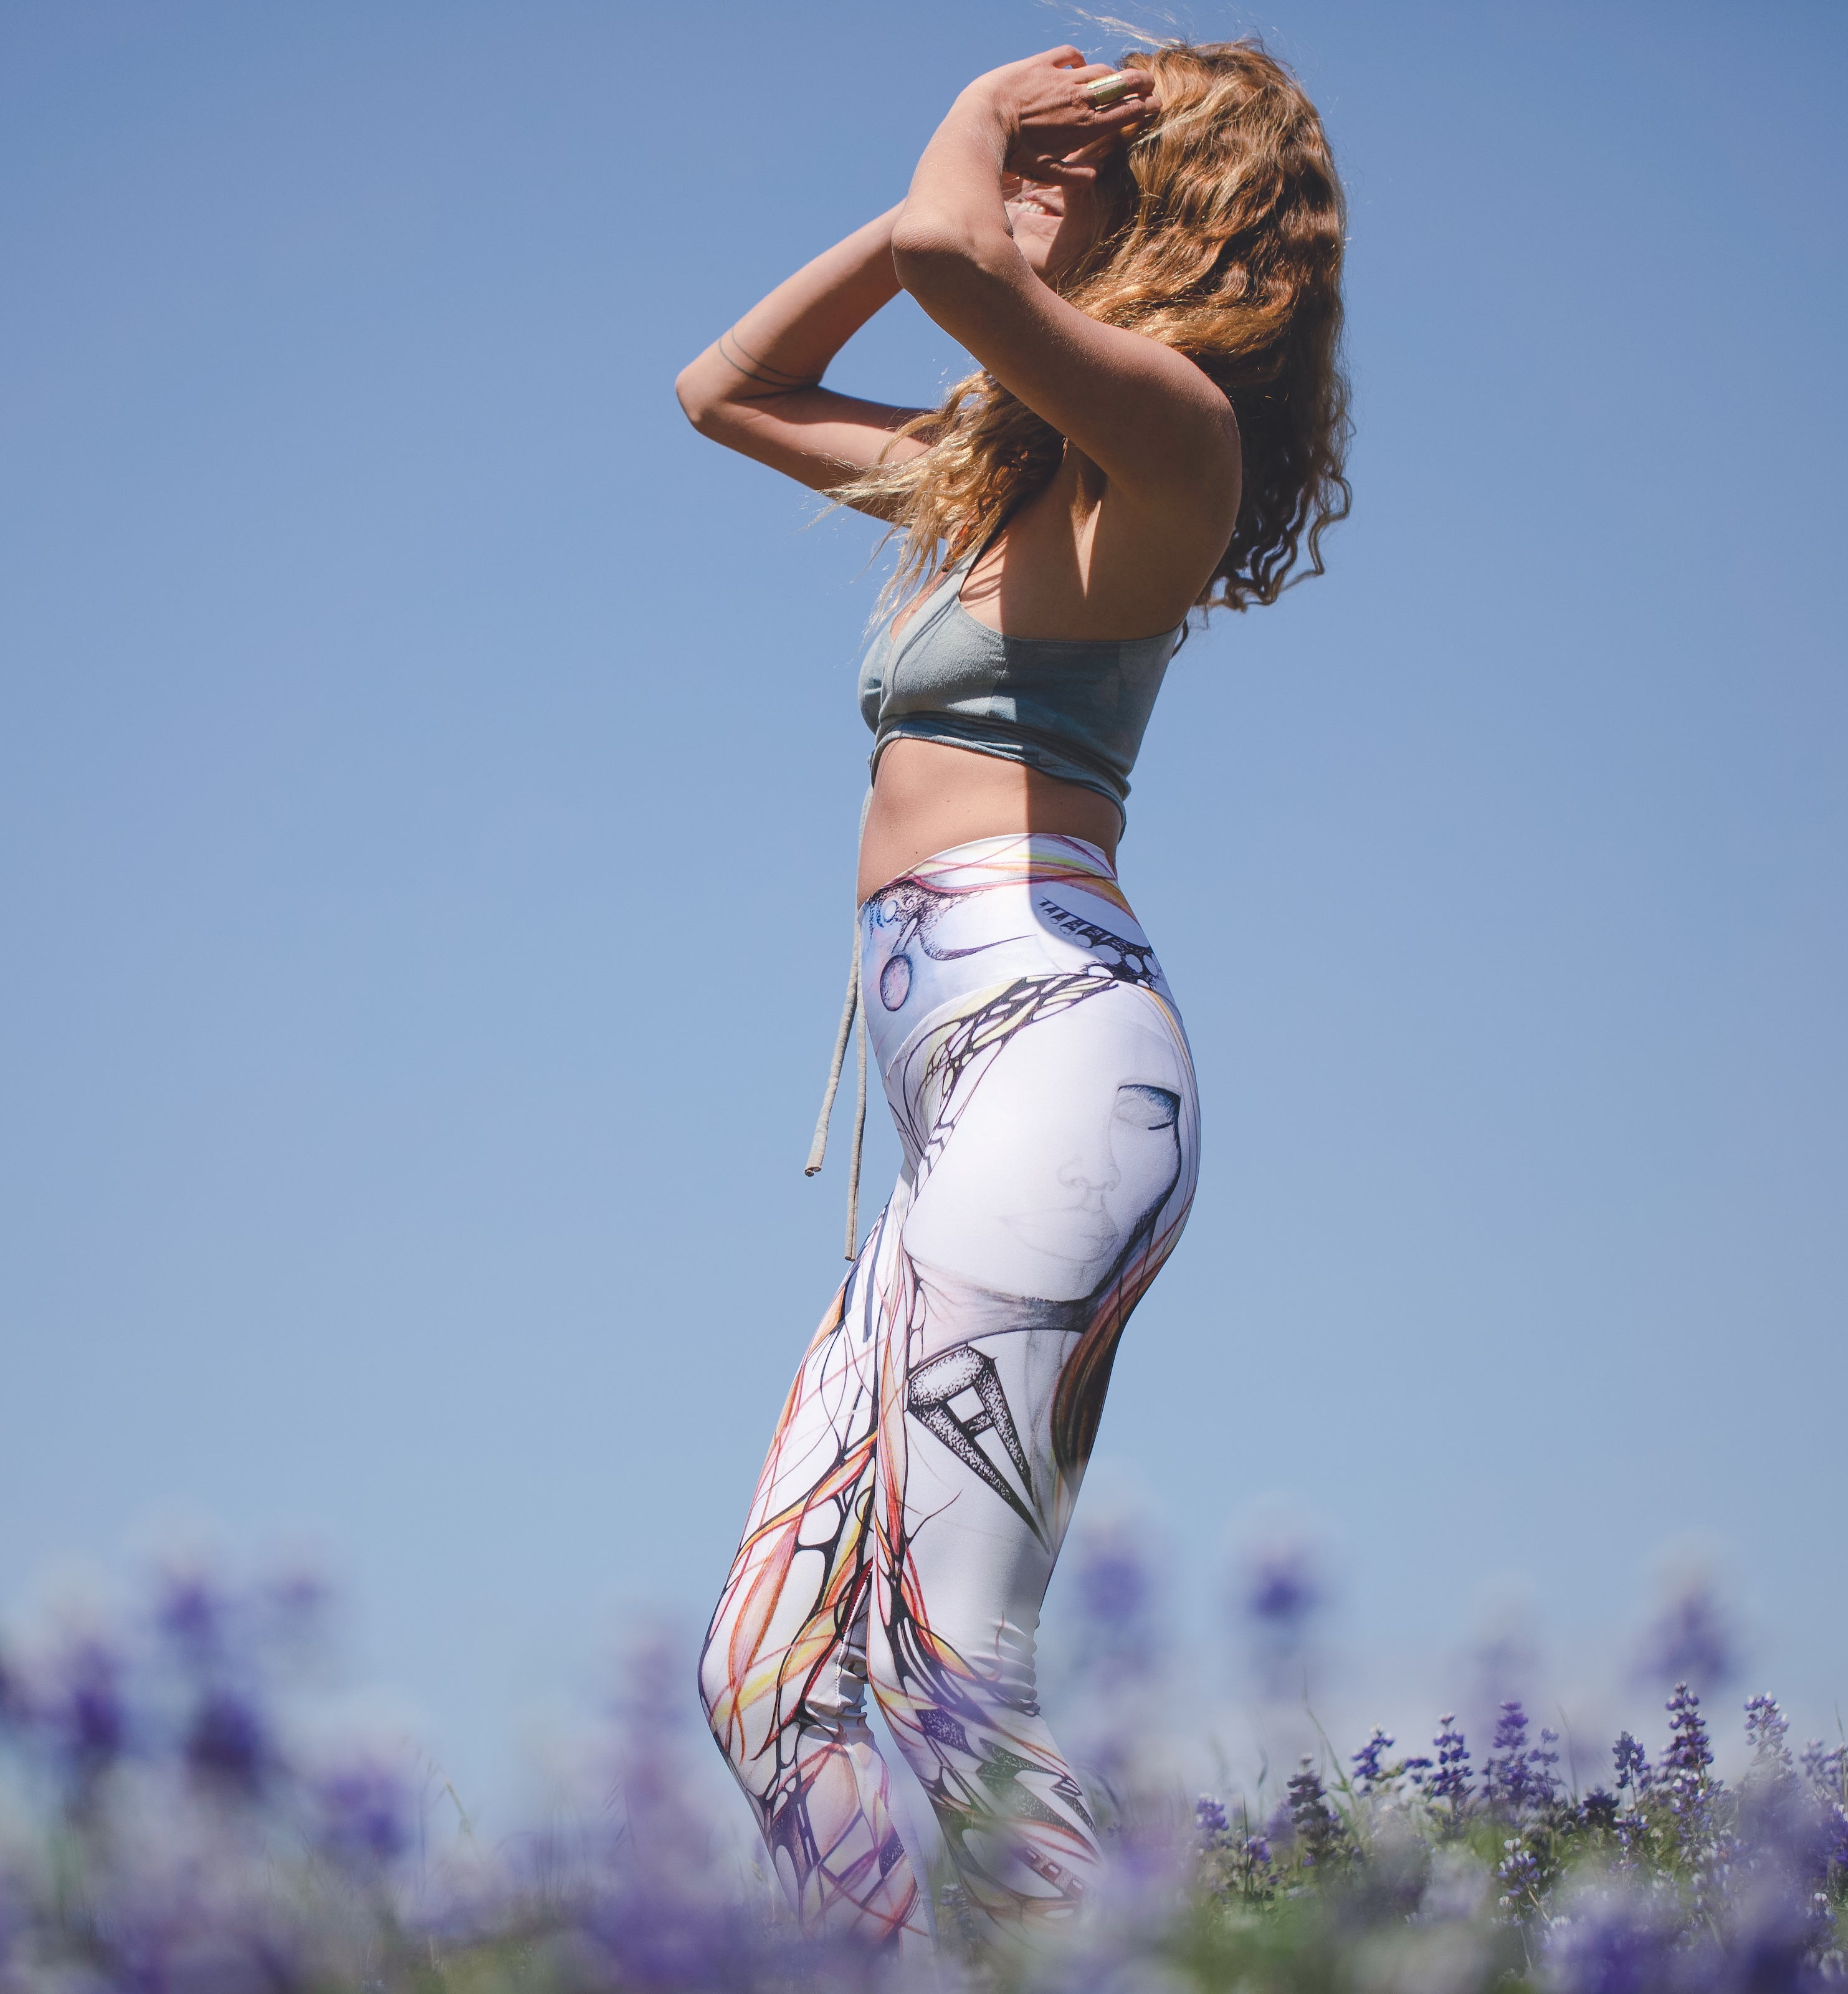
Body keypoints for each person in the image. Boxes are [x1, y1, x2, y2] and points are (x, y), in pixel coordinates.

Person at [677, 39, 1350, 1947]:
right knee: (763, 1676)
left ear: (1174, 216)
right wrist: (950, 210)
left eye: (1089, 170)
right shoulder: (989, 482)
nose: (1032, 197)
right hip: (952, 1113)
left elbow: (963, 263)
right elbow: (724, 389)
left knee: (950, 1668)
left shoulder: (1179, 447)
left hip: (1062, 1061)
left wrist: (975, 147)